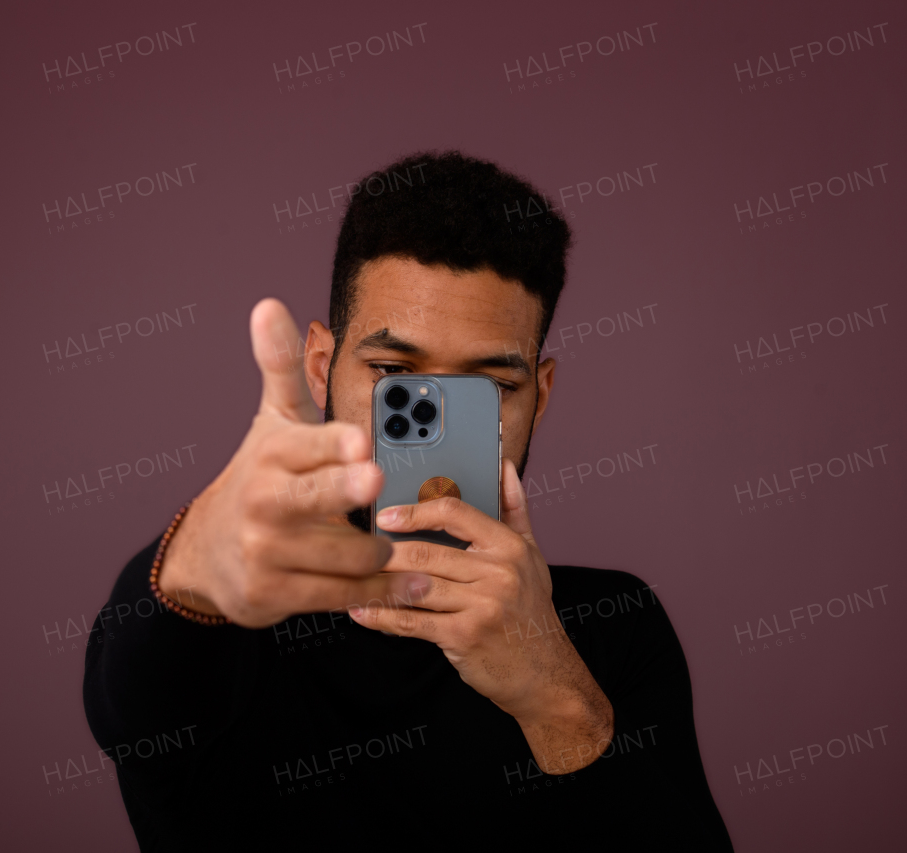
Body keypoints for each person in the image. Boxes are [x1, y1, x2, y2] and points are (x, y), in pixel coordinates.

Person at [83, 151, 733, 851]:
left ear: (538, 399)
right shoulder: (234, 621)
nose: (440, 422)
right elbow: (132, 696)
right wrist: (199, 555)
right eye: (395, 375)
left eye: (490, 387)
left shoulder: (614, 629)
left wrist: (558, 703)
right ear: (321, 368)